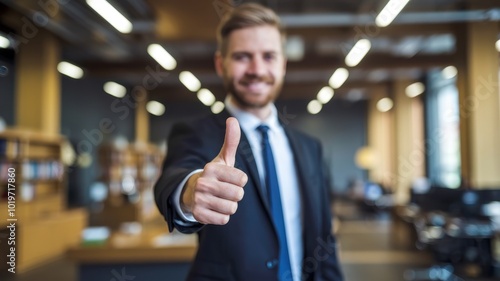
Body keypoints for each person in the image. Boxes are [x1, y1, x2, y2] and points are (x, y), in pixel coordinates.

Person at [154, 3, 343, 281]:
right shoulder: (195, 133)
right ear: (221, 64)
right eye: (243, 56)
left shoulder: (309, 147)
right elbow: (174, 178)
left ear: (283, 64)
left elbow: (324, 238)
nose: (257, 69)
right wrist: (191, 191)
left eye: (269, 56)